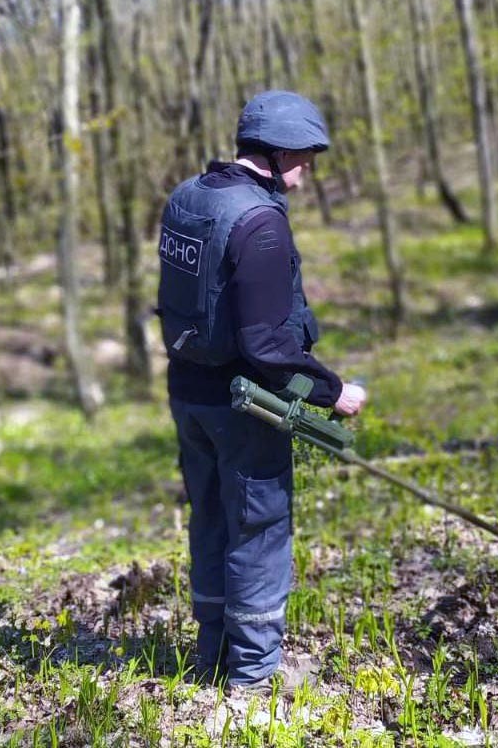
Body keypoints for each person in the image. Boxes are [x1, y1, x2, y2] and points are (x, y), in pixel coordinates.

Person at [156, 90, 367, 692]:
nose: (309, 170)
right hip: (242, 403)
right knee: (259, 528)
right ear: (275, 154)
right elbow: (269, 346)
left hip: (187, 394)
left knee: (212, 520)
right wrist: (334, 393)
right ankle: (250, 680)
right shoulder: (259, 222)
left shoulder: (187, 199)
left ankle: (210, 656)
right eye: (304, 156)